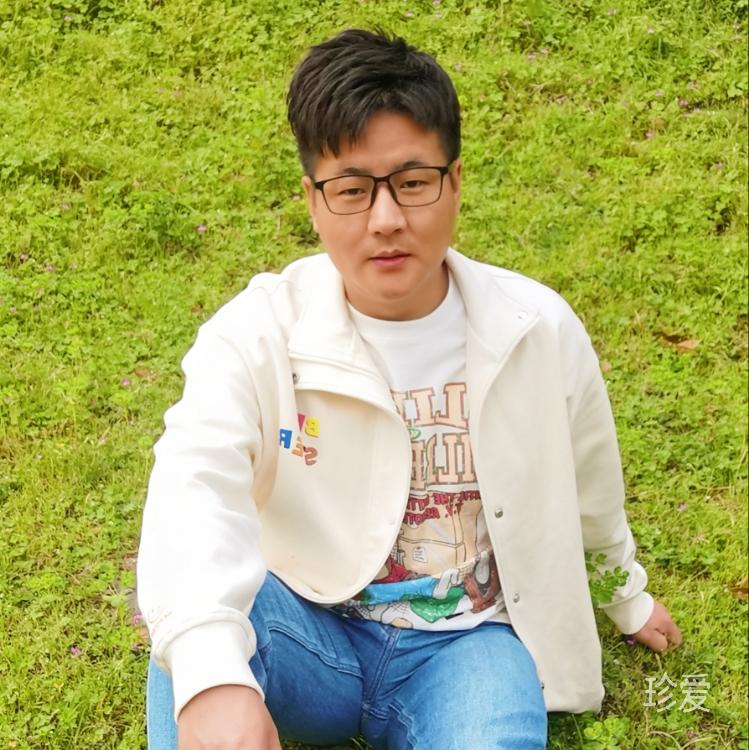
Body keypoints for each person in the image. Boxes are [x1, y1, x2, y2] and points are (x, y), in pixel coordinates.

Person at [137, 28, 682, 750]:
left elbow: (592, 484)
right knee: (195, 639)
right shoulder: (257, 331)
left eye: (413, 182)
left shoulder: (536, 328)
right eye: (352, 190)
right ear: (312, 200)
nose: (386, 219)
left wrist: (626, 596)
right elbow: (193, 485)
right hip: (307, 622)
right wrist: (213, 680)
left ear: (455, 182)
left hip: (469, 647)